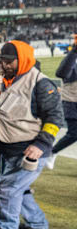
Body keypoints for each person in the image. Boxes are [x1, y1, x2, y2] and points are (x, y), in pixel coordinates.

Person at [0, 41, 65, 229]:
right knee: (19, 189)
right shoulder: (4, 80)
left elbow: (55, 117)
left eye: (8, 61)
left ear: (22, 59)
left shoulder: (40, 83)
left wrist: (41, 144)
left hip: (30, 151)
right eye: (1, 61)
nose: (3, 65)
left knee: (8, 189)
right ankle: (38, 224)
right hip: (8, 149)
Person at [46, 34, 77, 169]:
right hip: (71, 101)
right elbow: (61, 73)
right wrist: (75, 50)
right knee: (74, 133)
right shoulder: (72, 59)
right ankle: (52, 152)